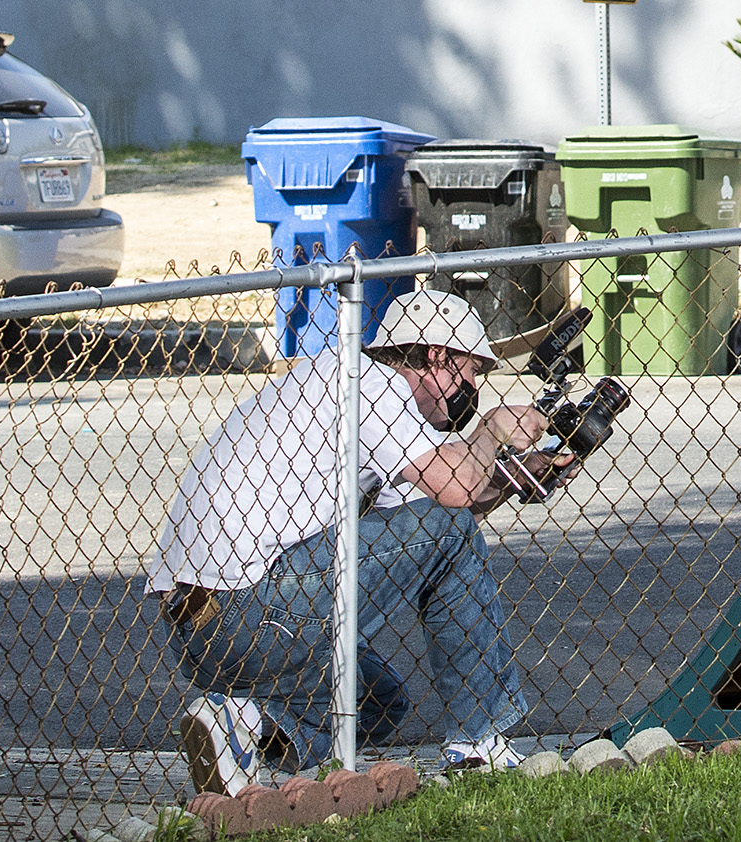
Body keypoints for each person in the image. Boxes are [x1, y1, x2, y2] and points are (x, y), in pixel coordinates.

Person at [146, 290, 561, 791]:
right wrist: (491, 433)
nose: (473, 388)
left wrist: (517, 477)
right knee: (451, 530)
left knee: (380, 702)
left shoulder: (339, 381)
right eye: (472, 371)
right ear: (437, 356)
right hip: (250, 609)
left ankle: (244, 724)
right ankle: (480, 744)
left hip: (200, 632)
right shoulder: (373, 384)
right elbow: (452, 507)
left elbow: (438, 517)